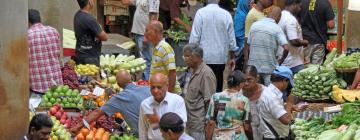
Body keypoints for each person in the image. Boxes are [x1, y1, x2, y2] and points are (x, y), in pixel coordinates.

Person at [70, 70, 151, 135]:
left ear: (118, 85)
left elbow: (97, 112)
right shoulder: (148, 89)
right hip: (158, 130)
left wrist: (78, 126)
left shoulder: (119, 98)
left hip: (144, 134)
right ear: (132, 79)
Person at [189, 0, 238, 92]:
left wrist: (191, 57)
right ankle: (215, 105)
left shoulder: (200, 13)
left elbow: (194, 38)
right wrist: (232, 57)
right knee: (217, 87)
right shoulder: (226, 15)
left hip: (203, 58)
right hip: (219, 58)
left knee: (203, 87)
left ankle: (205, 105)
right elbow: (231, 40)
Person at [246, 6, 289, 86]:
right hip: (269, 68)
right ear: (279, 17)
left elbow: (248, 47)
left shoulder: (254, 25)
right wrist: (281, 61)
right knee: (269, 93)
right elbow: (286, 48)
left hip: (254, 68)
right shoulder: (277, 28)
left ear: (267, 14)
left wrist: (249, 61)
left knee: (254, 93)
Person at [182, 43, 216, 139]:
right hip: (189, 121)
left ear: (197, 56)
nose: (185, 58)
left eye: (187, 56)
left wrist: (208, 126)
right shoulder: (190, 71)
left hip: (199, 125)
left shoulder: (206, 74)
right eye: (184, 56)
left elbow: (210, 102)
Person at [138, 73, 187, 140]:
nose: (155, 91)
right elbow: (143, 130)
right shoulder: (145, 104)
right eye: (153, 87)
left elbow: (181, 127)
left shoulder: (177, 101)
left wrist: (159, 122)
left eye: (159, 87)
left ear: (166, 86)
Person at [206, 70, 251, 140]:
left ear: (228, 82)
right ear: (241, 84)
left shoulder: (216, 97)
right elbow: (247, 127)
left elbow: (211, 122)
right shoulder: (244, 100)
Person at [28, 9, 63, 94]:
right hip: (57, 85)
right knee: (58, 107)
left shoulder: (27, 35)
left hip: (38, 87)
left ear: (28, 22)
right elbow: (59, 54)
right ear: (40, 19)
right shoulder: (54, 31)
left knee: (40, 107)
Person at [119, 0, 154, 80]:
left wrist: (147, 34)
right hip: (138, 33)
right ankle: (144, 80)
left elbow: (154, 17)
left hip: (144, 33)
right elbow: (125, 2)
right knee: (142, 59)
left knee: (147, 58)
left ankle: (147, 81)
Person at [259, 66, 294, 139]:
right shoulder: (272, 97)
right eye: (288, 82)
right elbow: (286, 120)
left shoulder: (270, 92)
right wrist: (289, 103)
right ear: (284, 80)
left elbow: (276, 110)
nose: (288, 85)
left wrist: (290, 106)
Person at [144, 21, 180, 93]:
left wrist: (168, 94)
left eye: (147, 31)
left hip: (167, 94)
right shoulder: (156, 47)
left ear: (156, 31)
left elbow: (172, 73)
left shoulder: (165, 48)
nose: (145, 34)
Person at [277, 0, 309, 74]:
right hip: (293, 62)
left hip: (283, 59)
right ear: (294, 4)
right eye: (299, 6)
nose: (300, 9)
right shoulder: (290, 19)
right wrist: (305, 42)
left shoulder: (280, 16)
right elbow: (293, 41)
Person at [299, 0, 335, 65]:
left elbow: (297, 21)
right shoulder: (325, 3)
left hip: (304, 41)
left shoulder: (301, 2)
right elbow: (331, 25)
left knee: (304, 68)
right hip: (319, 41)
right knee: (315, 69)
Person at [74, 0, 108, 66]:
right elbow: (105, 37)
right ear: (89, 2)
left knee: (82, 75)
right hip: (90, 57)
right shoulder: (89, 19)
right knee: (92, 76)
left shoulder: (77, 14)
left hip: (80, 54)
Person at [240, 65, 266, 140]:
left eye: (249, 80)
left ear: (257, 78)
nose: (246, 83)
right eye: (244, 80)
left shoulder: (266, 93)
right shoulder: (239, 95)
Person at [233, 0, 251, 71]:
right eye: (248, 3)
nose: (249, 5)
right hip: (240, 49)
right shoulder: (242, 16)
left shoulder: (242, 13)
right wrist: (244, 44)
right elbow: (237, 33)